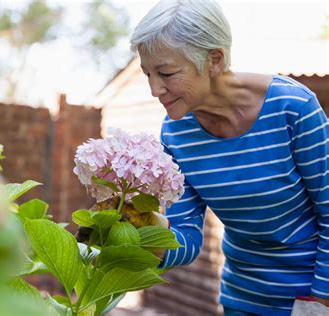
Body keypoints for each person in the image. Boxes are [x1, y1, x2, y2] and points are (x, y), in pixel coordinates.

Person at [130, 0, 329, 315]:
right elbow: (187, 233)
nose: (155, 89)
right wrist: (137, 236)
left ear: (214, 60)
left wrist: (320, 302)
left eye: (166, 73)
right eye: (148, 74)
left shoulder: (294, 109)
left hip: (311, 298)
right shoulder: (176, 132)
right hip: (241, 298)